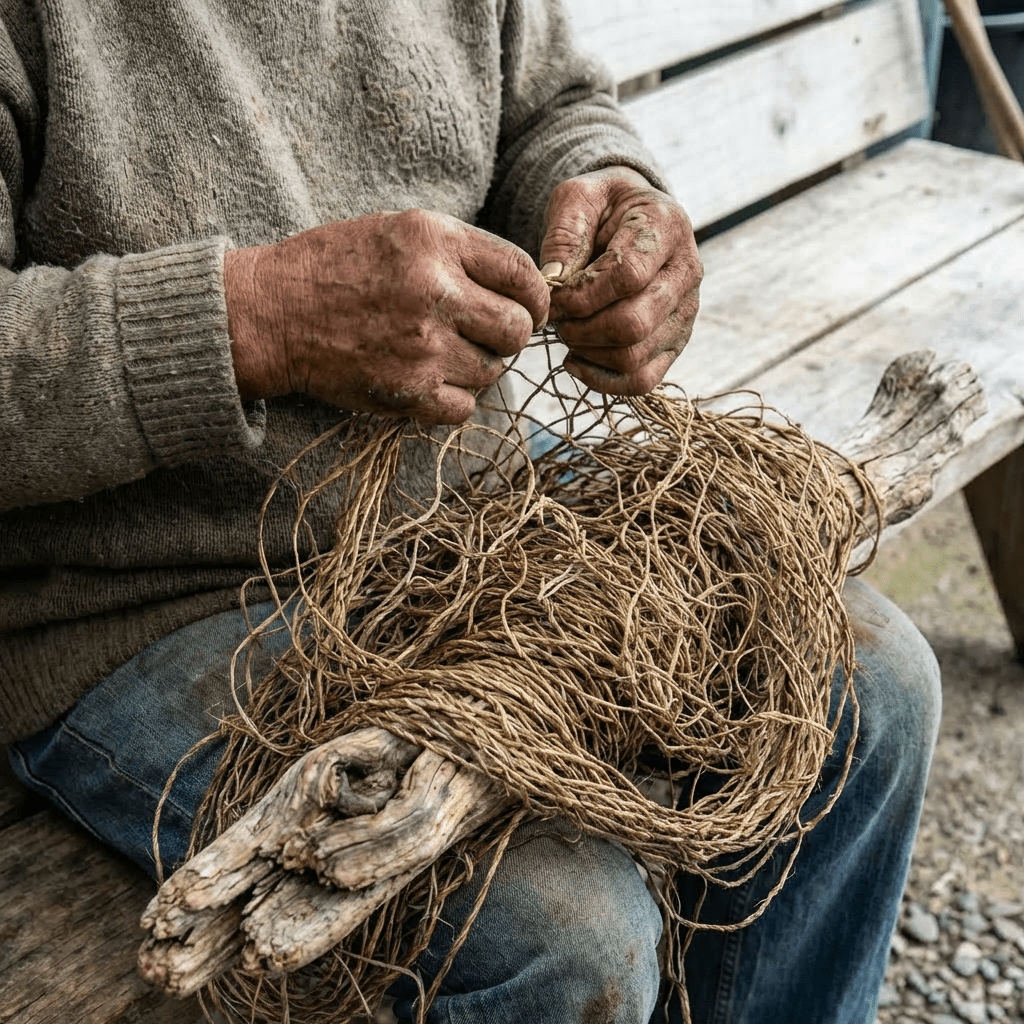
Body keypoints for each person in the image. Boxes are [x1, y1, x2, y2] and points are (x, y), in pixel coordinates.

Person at [0, 1, 940, 1022]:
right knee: (563, 934)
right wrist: (257, 314)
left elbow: (549, 104)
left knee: (866, 688)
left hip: (471, 503)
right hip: (142, 592)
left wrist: (611, 200)